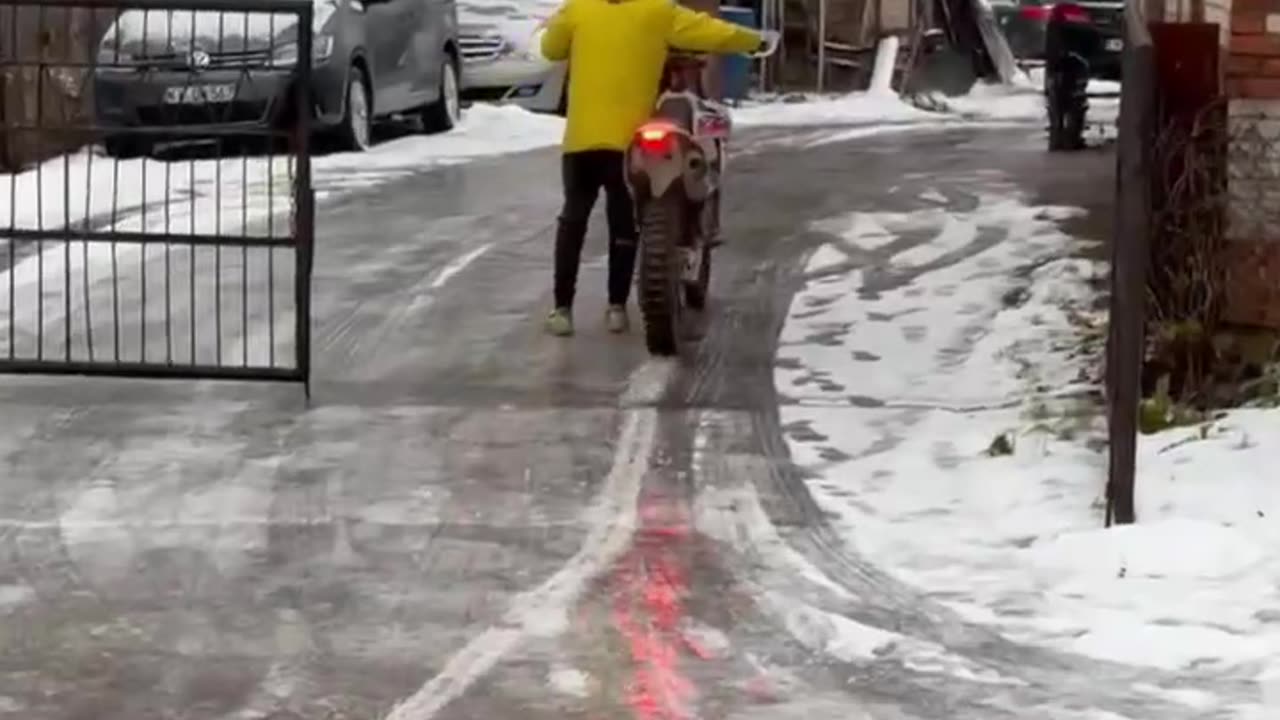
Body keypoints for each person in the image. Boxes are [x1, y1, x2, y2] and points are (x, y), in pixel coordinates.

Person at [539, 0, 771, 337]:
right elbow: (712, 32)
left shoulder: (579, 8)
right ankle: (616, 309)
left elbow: (550, 48)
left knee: (573, 219)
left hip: (581, 140)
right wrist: (756, 40)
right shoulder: (658, 10)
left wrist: (561, 22)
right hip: (627, 144)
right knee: (623, 224)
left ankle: (562, 310)